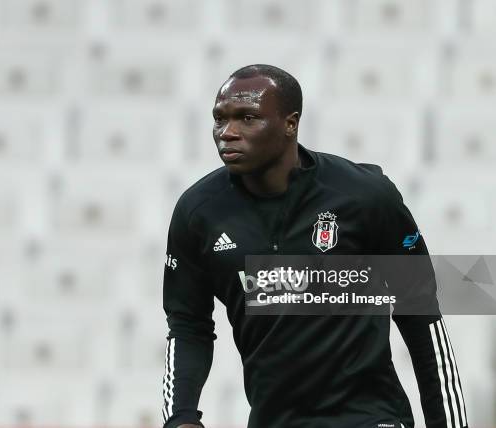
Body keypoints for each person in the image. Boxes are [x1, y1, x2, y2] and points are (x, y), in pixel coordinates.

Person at [161, 64, 468, 428]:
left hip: (371, 419)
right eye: (219, 119)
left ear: (290, 124)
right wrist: (180, 417)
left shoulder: (365, 196)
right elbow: (188, 326)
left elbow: (421, 314)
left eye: (248, 118)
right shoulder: (199, 213)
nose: (228, 133)